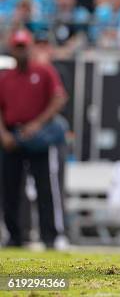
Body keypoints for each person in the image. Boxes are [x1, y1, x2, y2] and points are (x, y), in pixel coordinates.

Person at [0, 29, 67, 248]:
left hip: (40, 135)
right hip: (12, 135)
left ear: (29, 47)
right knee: (10, 189)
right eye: (17, 47)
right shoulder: (5, 77)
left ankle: (52, 237)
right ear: (12, 49)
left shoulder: (43, 71)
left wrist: (38, 123)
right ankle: (14, 236)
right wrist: (3, 134)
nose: (21, 51)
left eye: (24, 46)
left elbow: (59, 98)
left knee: (46, 187)